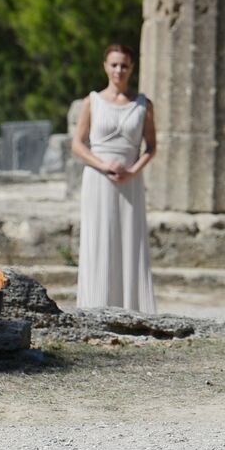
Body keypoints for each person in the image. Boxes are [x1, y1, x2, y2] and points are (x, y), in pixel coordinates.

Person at [72, 44, 157, 312]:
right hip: (98, 179)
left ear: (131, 68)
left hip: (130, 181)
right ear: (105, 66)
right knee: (99, 238)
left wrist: (132, 171)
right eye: (114, 64)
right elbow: (78, 143)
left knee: (129, 239)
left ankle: (132, 308)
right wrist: (103, 165)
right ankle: (94, 306)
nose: (119, 70)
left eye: (124, 65)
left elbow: (152, 146)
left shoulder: (143, 104)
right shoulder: (92, 101)